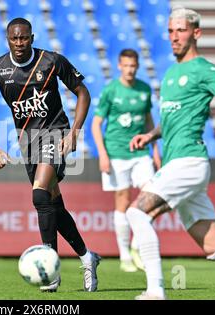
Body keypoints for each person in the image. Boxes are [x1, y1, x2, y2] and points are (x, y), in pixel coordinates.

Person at [126, 7, 215, 300]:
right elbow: (171, 119)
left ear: (196, 33)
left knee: (136, 213)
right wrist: (151, 134)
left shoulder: (203, 69)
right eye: (171, 31)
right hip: (178, 164)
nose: (174, 37)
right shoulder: (171, 73)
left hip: (188, 162)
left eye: (181, 30)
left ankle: (155, 291)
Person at [0, 17, 101, 293]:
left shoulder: (51, 61)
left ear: (32, 37)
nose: (19, 43)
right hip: (27, 142)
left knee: (39, 195)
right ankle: (87, 256)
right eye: (14, 38)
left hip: (55, 133)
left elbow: (83, 93)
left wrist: (75, 132)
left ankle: (50, 269)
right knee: (52, 206)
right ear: (7, 39)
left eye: (24, 38)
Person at [91, 49, 161, 273]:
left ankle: (135, 245)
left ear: (137, 66)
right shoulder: (111, 90)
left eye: (133, 66)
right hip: (116, 154)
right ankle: (124, 257)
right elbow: (96, 124)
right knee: (121, 203)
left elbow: (149, 120)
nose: (130, 70)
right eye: (126, 65)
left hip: (141, 153)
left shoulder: (144, 89)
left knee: (152, 197)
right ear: (119, 66)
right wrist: (102, 154)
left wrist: (156, 149)